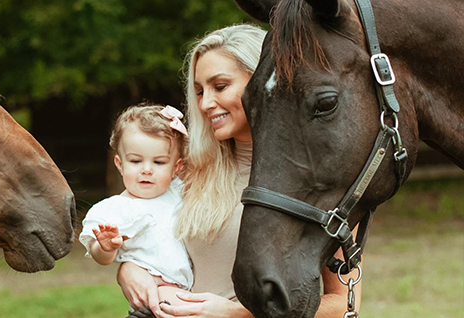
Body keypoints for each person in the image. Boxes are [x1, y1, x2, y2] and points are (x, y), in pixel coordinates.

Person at [117, 24, 363, 318]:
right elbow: (133, 228)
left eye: (219, 86)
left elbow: (344, 304)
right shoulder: (188, 171)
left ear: (262, 80)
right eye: (199, 91)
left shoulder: (319, 180)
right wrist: (129, 271)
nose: (206, 103)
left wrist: (238, 315)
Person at [79, 104, 193, 308]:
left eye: (159, 162)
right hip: (149, 294)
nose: (147, 170)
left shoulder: (178, 193)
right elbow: (101, 258)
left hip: (186, 288)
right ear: (120, 164)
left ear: (176, 167)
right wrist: (105, 247)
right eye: (136, 161)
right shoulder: (113, 210)